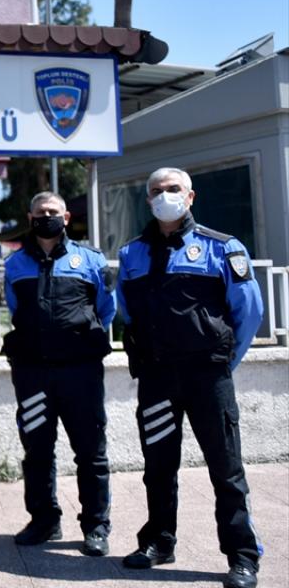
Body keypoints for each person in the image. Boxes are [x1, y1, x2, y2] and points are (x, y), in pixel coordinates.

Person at [117, 167, 265, 588]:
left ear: (190, 196)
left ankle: (242, 556)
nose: (165, 195)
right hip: (157, 378)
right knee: (158, 466)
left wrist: (223, 362)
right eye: (157, 190)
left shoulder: (223, 247)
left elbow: (249, 312)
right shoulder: (132, 254)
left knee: (226, 470)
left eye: (173, 188)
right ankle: (158, 542)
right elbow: (126, 310)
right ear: (148, 199)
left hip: (207, 378)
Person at [2, 191, 116, 556]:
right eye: (40, 212)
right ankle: (44, 520)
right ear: (30, 217)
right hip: (33, 374)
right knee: (37, 450)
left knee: (91, 451)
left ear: (66, 218)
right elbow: (16, 309)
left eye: (53, 211)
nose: (46, 216)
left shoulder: (91, 260)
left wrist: (75, 341)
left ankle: (95, 526)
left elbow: (106, 310)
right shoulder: (15, 264)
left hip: (81, 373)